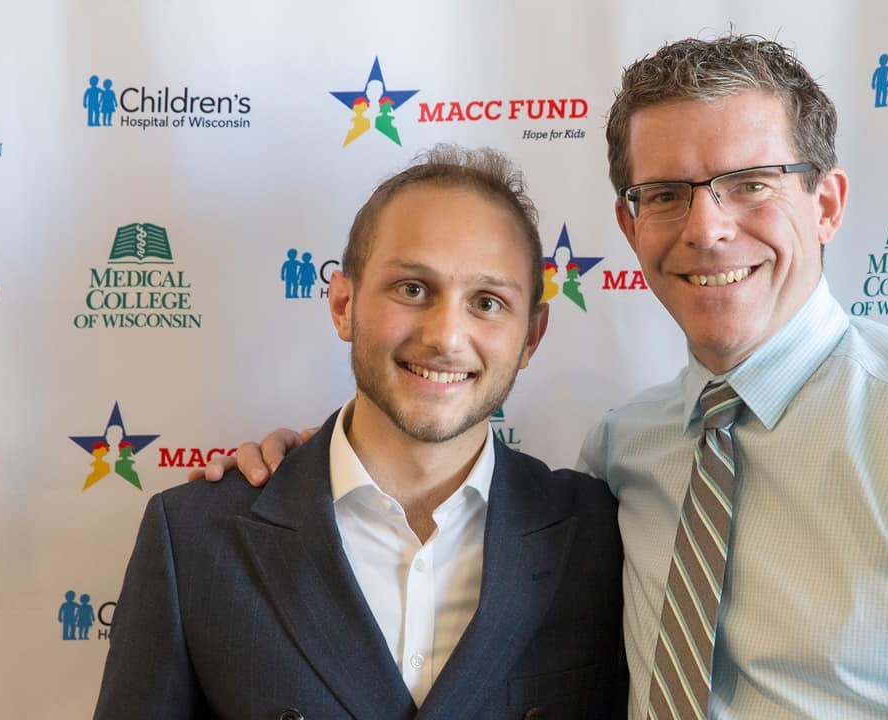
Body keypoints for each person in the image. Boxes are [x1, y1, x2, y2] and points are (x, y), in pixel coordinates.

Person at [205, 35, 888, 718]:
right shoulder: (624, 454)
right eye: (667, 194)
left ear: (828, 202)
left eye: (750, 182)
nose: (707, 227)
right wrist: (302, 477)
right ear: (630, 220)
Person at [96, 146, 625, 719]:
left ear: (530, 337)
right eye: (412, 289)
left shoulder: (602, 535)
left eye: (487, 302)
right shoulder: (194, 539)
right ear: (344, 303)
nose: (446, 336)